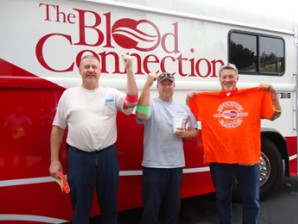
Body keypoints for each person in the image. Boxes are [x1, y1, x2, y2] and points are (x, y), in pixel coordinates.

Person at [186, 63, 282, 224]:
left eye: (231, 77)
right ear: (219, 80)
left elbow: (274, 115)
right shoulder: (207, 100)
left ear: (237, 79)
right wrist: (189, 101)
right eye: (224, 77)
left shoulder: (252, 96)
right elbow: (189, 119)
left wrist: (273, 94)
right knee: (222, 199)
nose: (228, 80)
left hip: (248, 158)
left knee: (251, 200)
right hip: (219, 158)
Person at [49, 54, 138, 224]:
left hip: (107, 157)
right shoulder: (69, 95)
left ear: (100, 71)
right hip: (79, 158)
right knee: (80, 207)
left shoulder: (110, 93)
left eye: (94, 67)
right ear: (80, 70)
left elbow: (132, 102)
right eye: (87, 67)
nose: (90, 70)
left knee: (110, 205)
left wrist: (129, 69)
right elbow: (58, 128)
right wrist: (54, 160)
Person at [136, 72, 198, 224]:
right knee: (151, 208)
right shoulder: (150, 104)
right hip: (153, 166)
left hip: (175, 165)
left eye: (169, 83)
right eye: (163, 84)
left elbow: (195, 131)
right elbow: (141, 115)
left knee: (173, 208)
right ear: (157, 87)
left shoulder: (183, 108)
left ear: (174, 86)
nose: (166, 87)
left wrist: (186, 134)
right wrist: (146, 84)